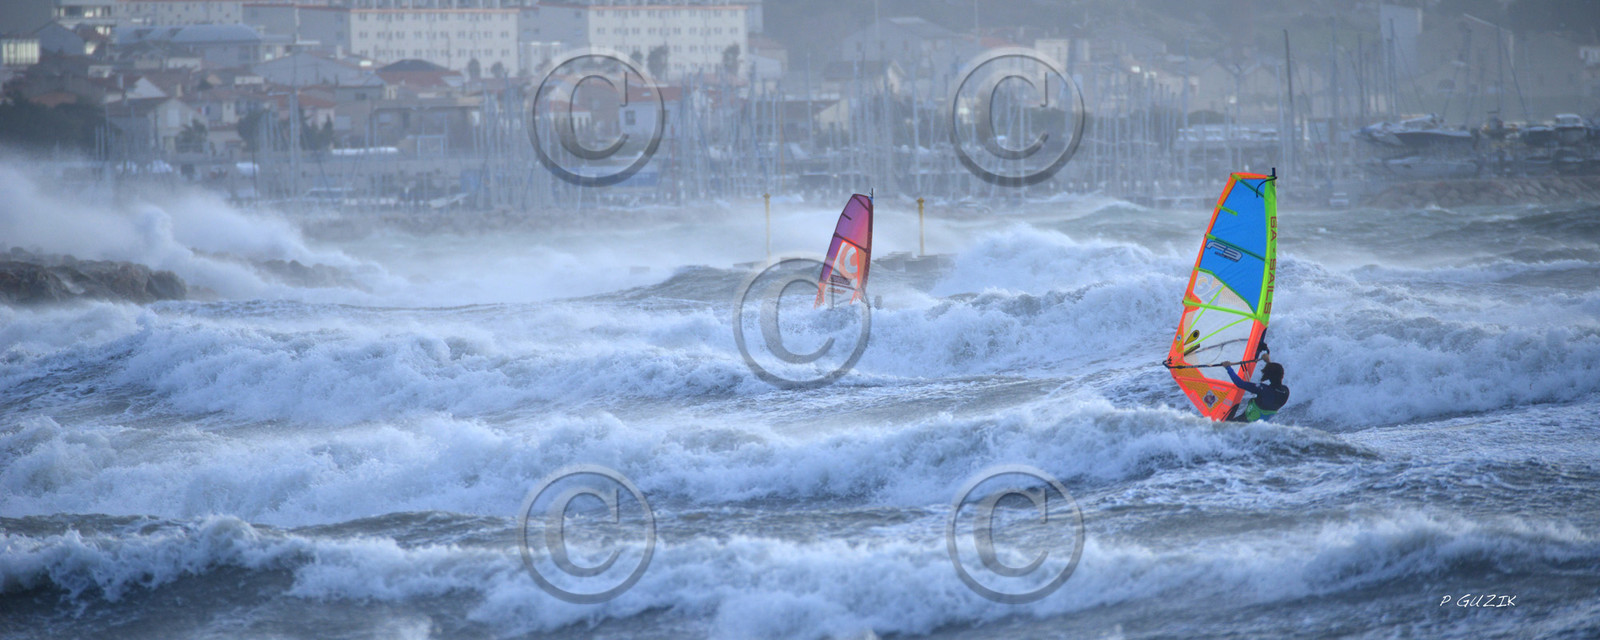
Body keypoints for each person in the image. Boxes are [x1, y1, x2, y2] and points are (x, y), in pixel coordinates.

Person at [1220, 355, 1288, 422]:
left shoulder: (1263, 389)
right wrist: (1268, 362)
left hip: (1245, 421)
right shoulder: (1286, 391)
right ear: (1282, 374)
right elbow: (1274, 375)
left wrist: (1228, 367)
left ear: (1267, 376)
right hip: (1259, 425)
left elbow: (1240, 383)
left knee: (1222, 427)